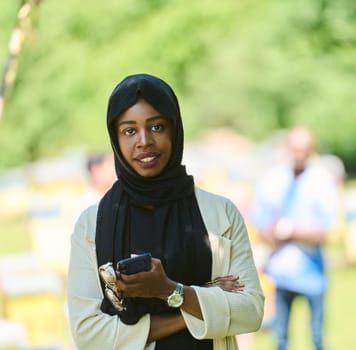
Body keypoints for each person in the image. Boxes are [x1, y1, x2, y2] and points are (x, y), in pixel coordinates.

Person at [67, 73, 264, 349]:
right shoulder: (93, 224)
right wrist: (197, 305)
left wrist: (170, 290)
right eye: (129, 130)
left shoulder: (220, 214)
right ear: (115, 137)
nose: (144, 141)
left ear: (175, 129)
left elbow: (250, 311)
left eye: (157, 126)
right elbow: (88, 333)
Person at [250, 127, 338, 350]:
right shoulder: (272, 180)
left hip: (312, 273)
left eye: (304, 150)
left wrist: (292, 231)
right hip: (280, 274)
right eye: (295, 149)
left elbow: (326, 231)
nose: (299, 155)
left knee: (317, 337)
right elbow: (259, 225)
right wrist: (274, 233)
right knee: (280, 338)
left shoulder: (321, 180)